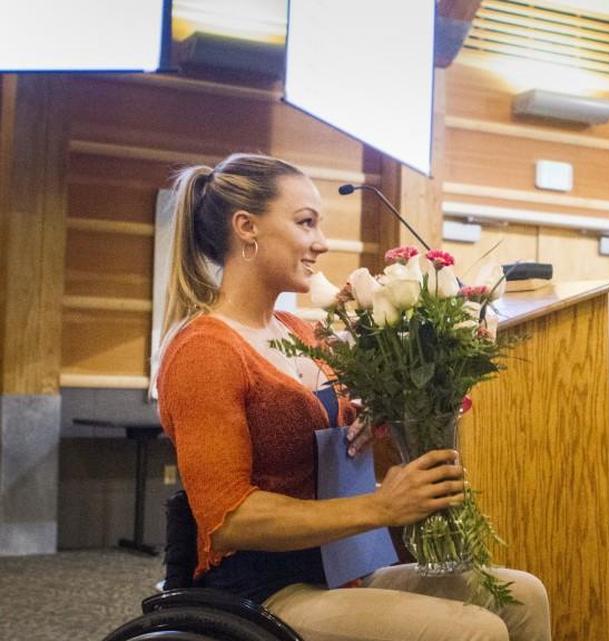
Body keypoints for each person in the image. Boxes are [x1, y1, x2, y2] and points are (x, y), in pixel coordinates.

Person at [156, 153, 550, 641]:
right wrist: (382, 507)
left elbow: (332, 436)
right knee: (475, 631)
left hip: (341, 566)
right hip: (261, 591)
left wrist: (373, 419)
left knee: (525, 594)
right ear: (246, 227)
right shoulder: (204, 350)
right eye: (306, 223)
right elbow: (230, 521)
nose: (321, 243)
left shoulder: (303, 331)